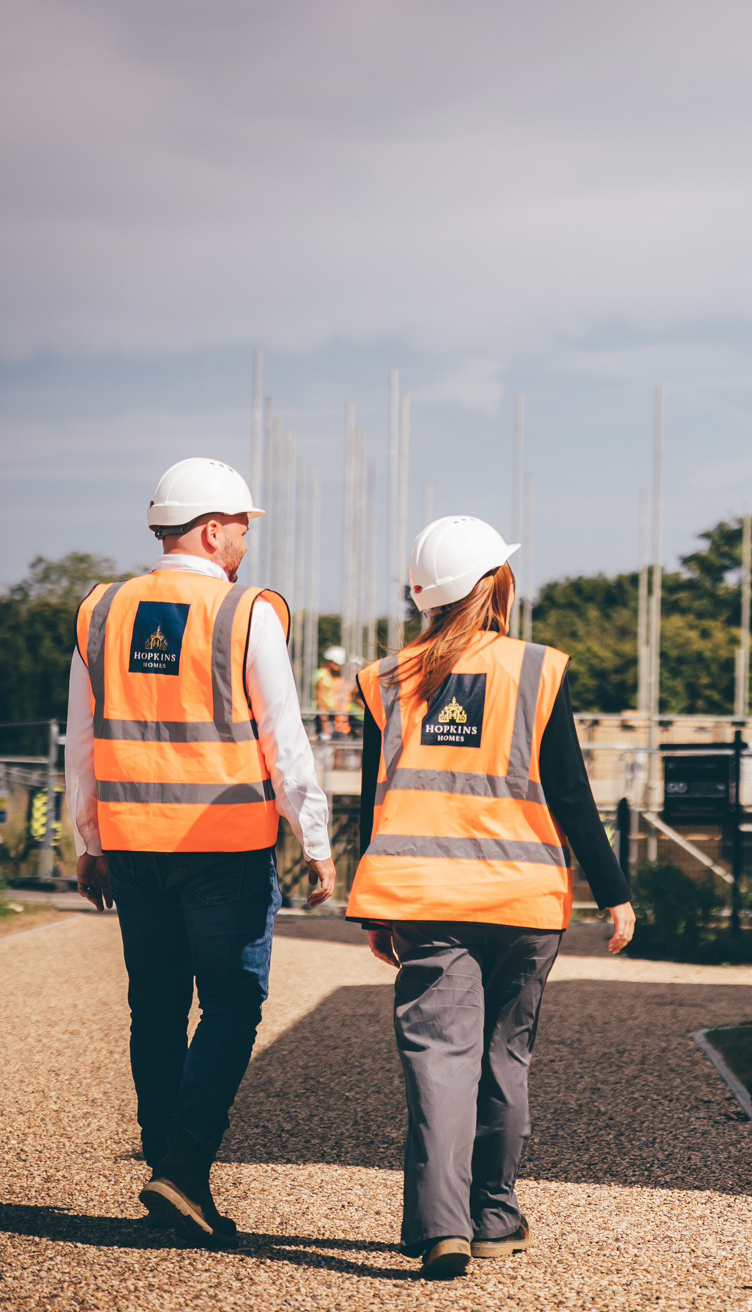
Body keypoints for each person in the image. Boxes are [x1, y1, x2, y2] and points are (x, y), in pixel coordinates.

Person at [345, 515, 634, 1281]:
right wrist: (615, 895)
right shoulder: (537, 670)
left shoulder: (383, 680)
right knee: (504, 1057)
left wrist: (374, 906)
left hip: (420, 896)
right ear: (494, 582)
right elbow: (571, 794)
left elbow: (370, 804)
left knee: (438, 1060)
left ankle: (441, 1226)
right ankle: (495, 1218)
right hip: (521, 898)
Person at [67, 457, 337, 1249]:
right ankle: (183, 1166)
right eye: (243, 526)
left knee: (153, 1003)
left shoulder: (100, 611)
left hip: (132, 845)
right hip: (223, 845)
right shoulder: (243, 611)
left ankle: (168, 1168)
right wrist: (314, 840)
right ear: (213, 528)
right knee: (230, 1002)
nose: (247, 541)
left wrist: (89, 841)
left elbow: (82, 744)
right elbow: (283, 739)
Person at [313, 646, 352, 739]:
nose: (338, 666)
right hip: (324, 718)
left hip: (334, 717)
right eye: (336, 663)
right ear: (329, 661)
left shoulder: (335, 677)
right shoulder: (322, 677)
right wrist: (324, 725)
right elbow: (321, 702)